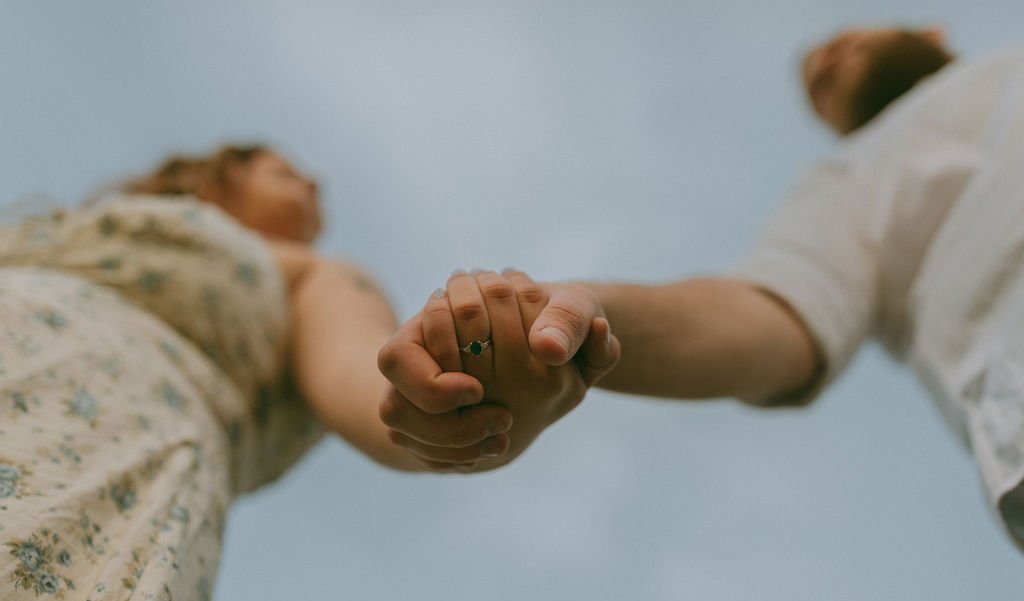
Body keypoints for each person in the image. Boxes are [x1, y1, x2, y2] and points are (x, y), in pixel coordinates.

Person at [378, 25, 1024, 550]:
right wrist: (569, 318)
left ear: (933, 30)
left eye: (845, 41)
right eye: (815, 84)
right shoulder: (844, 184)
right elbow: (765, 319)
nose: (823, 60)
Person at [0, 145, 476, 601]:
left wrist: (443, 405)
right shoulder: (77, 226)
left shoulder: (317, 275)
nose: (314, 183)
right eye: (284, 171)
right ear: (218, 177)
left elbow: (367, 381)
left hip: (107, 447)